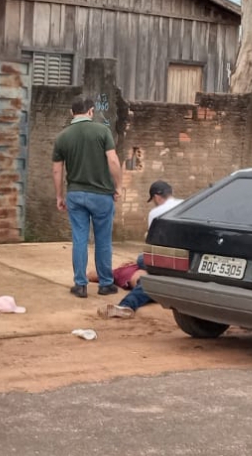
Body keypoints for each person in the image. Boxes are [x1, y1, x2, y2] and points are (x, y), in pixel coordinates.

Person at [52, 96, 123, 298]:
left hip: (75, 195)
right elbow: (113, 160)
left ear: (71, 112)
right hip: (101, 196)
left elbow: (57, 170)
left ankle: (80, 284)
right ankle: (106, 284)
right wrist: (118, 186)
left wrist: (59, 195)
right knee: (103, 240)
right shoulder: (103, 131)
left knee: (79, 239)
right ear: (91, 111)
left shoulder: (62, 137)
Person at [96, 180, 183, 319]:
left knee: (143, 262)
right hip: (186, 258)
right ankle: (126, 305)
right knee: (149, 276)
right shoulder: (185, 205)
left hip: (166, 260)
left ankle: (126, 305)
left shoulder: (156, 212)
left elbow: (152, 241)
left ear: (156, 197)